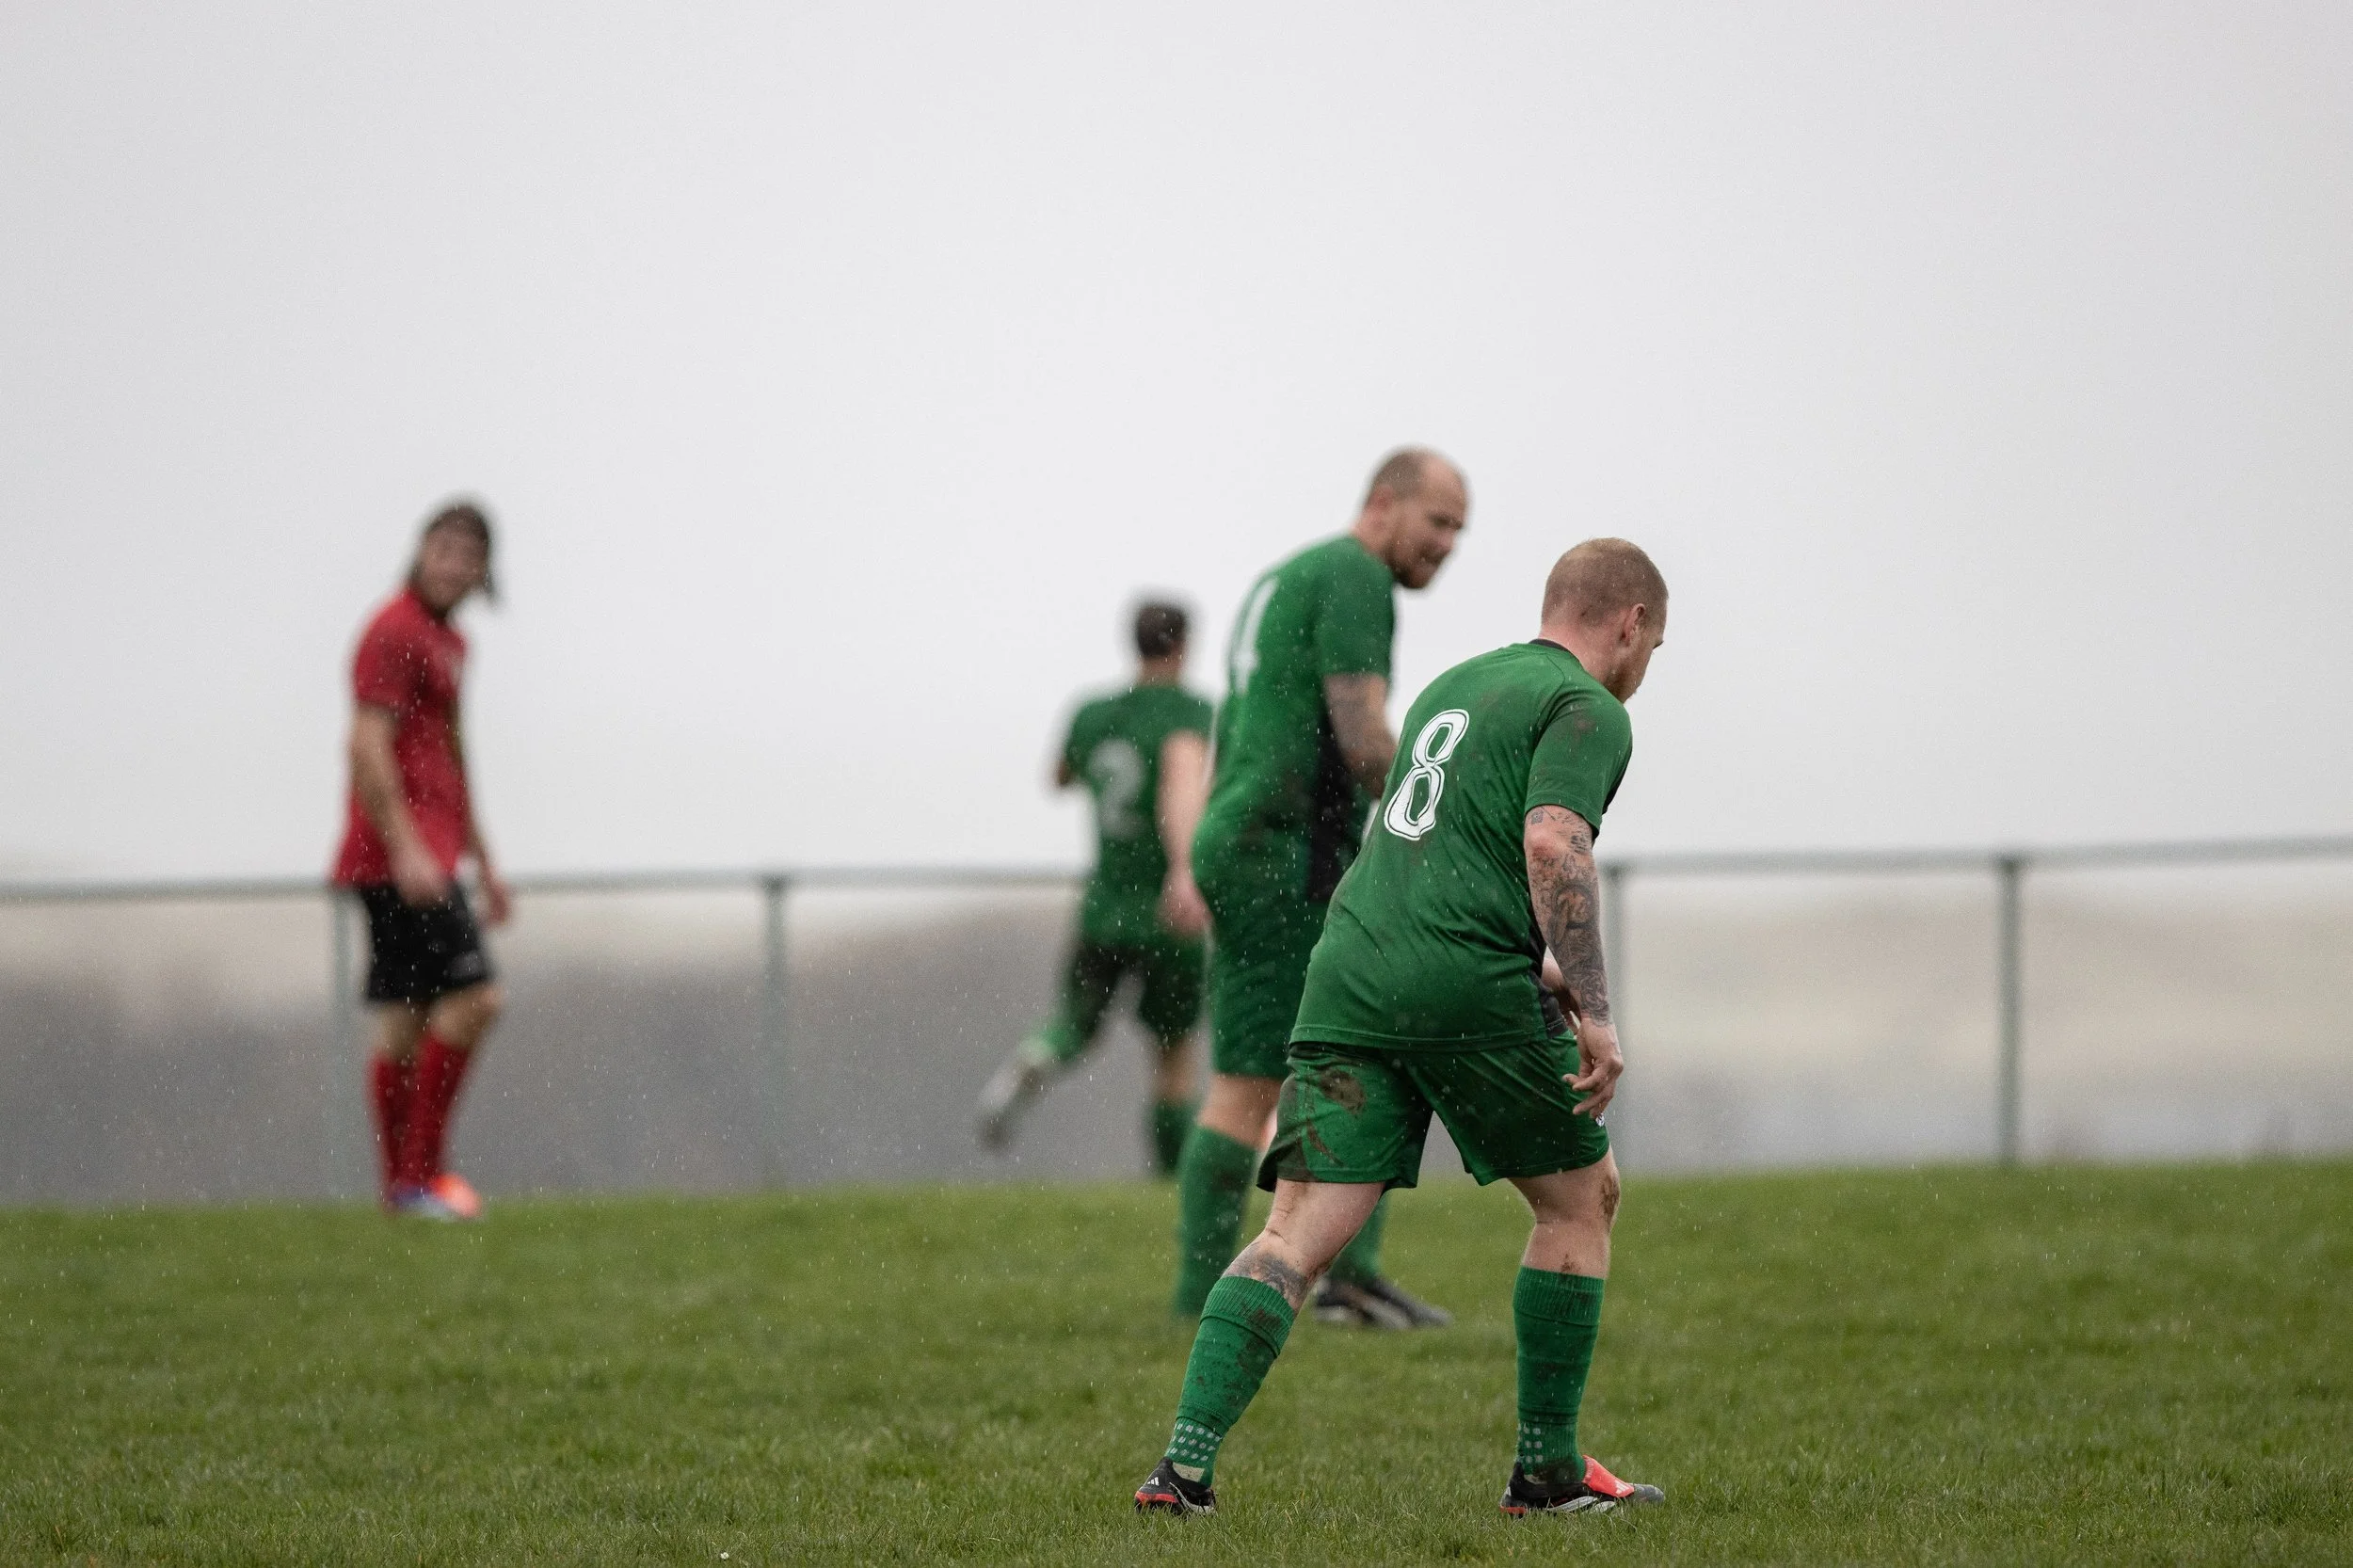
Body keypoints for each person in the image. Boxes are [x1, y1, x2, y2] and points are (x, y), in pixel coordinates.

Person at [1134, 537, 1671, 1519]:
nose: (1643, 670)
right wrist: (1594, 1007)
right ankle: (1547, 1473)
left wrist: (1535, 957)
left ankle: (1180, 1470)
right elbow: (1551, 838)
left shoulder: (1458, 686)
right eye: (1653, 648)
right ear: (1629, 624)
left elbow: (1436, 845)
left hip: (1350, 970)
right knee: (1579, 1199)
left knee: (1294, 1234)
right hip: (1458, 983)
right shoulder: (1586, 707)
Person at [1169, 448, 1465, 1329]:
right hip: (1285, 851)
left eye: (1460, 530)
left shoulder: (1288, 574)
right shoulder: (1354, 576)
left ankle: (1260, 1287)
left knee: (1259, 1076)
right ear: (1384, 504)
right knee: (1343, 1055)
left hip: (1249, 838)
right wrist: (1437, 830)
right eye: (1438, 522)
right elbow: (1362, 728)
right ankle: (1324, 1281)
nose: (1448, 545)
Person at [975, 600, 1215, 1176]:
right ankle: (1168, 1178)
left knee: (1075, 1021)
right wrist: (1185, 871)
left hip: (1104, 905)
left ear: (1133, 643)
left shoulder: (1093, 713)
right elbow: (1180, 784)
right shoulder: (1189, 713)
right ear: (1183, 645)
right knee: (1172, 1054)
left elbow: (1058, 778)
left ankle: (1039, 1055)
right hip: (1166, 910)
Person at [330, 501, 510, 1221]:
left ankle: (401, 1192)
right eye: (444, 549)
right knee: (477, 998)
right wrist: (405, 847)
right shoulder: (394, 631)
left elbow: (454, 758)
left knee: (406, 1018)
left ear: (484, 571)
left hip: (430, 856)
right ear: (420, 551)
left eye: (469, 555)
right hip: (398, 859)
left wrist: (487, 863)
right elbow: (366, 744)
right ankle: (419, 1179)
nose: (454, 564)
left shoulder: (450, 642)